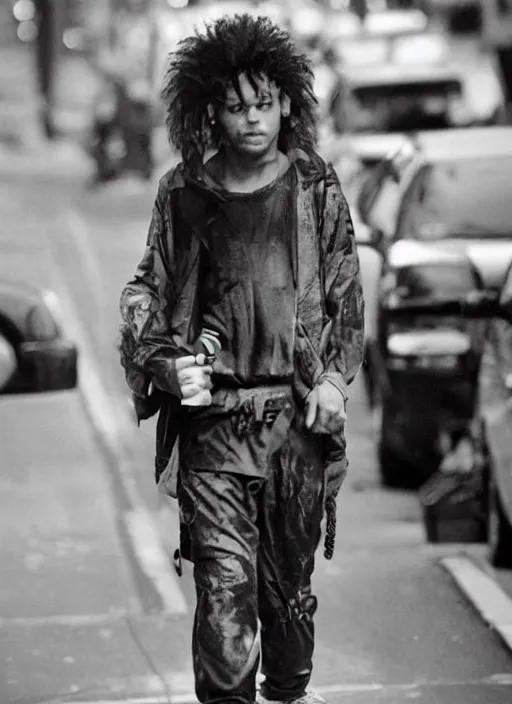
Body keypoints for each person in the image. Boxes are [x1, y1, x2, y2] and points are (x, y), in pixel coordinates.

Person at [119, 13, 364, 704]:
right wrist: (166, 361)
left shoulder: (315, 186)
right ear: (212, 114)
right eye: (235, 107)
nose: (252, 119)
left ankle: (286, 689)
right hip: (215, 435)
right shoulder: (185, 193)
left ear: (287, 102)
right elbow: (147, 290)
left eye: (264, 103)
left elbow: (346, 292)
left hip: (296, 435)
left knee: (287, 618)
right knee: (225, 614)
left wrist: (336, 385)